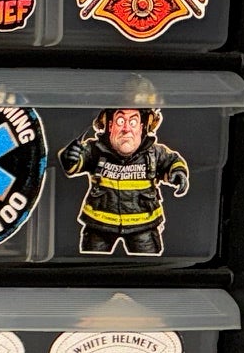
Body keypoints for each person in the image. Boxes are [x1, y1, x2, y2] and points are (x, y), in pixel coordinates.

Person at [59, 104, 189, 256]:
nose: (126, 129)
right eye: (120, 121)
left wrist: (178, 172)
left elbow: (172, 161)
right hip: (100, 223)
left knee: (148, 265)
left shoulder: (154, 153)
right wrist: (69, 157)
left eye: (133, 122)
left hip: (143, 224)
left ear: (142, 127)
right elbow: (74, 165)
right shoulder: (95, 150)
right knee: (92, 264)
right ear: (110, 125)